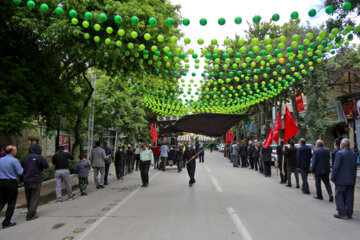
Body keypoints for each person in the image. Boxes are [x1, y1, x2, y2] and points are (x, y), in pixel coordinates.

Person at [20, 144, 49, 221]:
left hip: (26, 180)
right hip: (36, 180)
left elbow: (21, 168)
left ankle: (31, 211)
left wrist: (21, 179)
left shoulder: (24, 157)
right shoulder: (39, 157)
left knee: (29, 198)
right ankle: (30, 215)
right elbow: (46, 166)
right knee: (35, 198)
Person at [331, 138, 357, 219]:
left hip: (341, 180)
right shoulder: (354, 154)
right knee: (350, 197)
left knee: (339, 195)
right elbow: (355, 168)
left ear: (343, 145)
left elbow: (336, 167)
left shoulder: (340, 153)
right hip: (351, 180)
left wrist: (332, 177)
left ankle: (342, 213)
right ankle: (349, 213)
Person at [0, 145, 23, 229]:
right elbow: (20, 172)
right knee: (11, 203)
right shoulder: (14, 160)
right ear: (12, 151)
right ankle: (6, 222)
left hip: (1, 182)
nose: (16, 152)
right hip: (11, 183)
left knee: (1, 201)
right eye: (16, 150)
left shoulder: (0, 160)